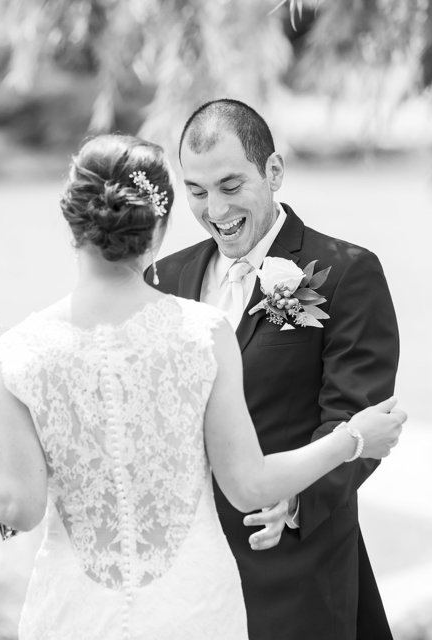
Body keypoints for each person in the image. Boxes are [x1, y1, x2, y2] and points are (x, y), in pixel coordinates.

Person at [0, 133, 406, 640]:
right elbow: (247, 483)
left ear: (71, 222)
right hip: (192, 605)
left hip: (76, 612)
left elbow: (19, 508)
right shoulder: (202, 331)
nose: (215, 207)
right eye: (198, 191)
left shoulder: (19, 352)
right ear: (159, 226)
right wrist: (353, 438)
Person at [149, 98, 400, 640]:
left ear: (274, 172)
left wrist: (293, 500)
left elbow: (354, 417)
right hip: (188, 577)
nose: (215, 209)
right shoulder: (161, 281)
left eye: (231, 186)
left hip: (294, 568)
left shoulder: (346, 274)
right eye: (196, 192)